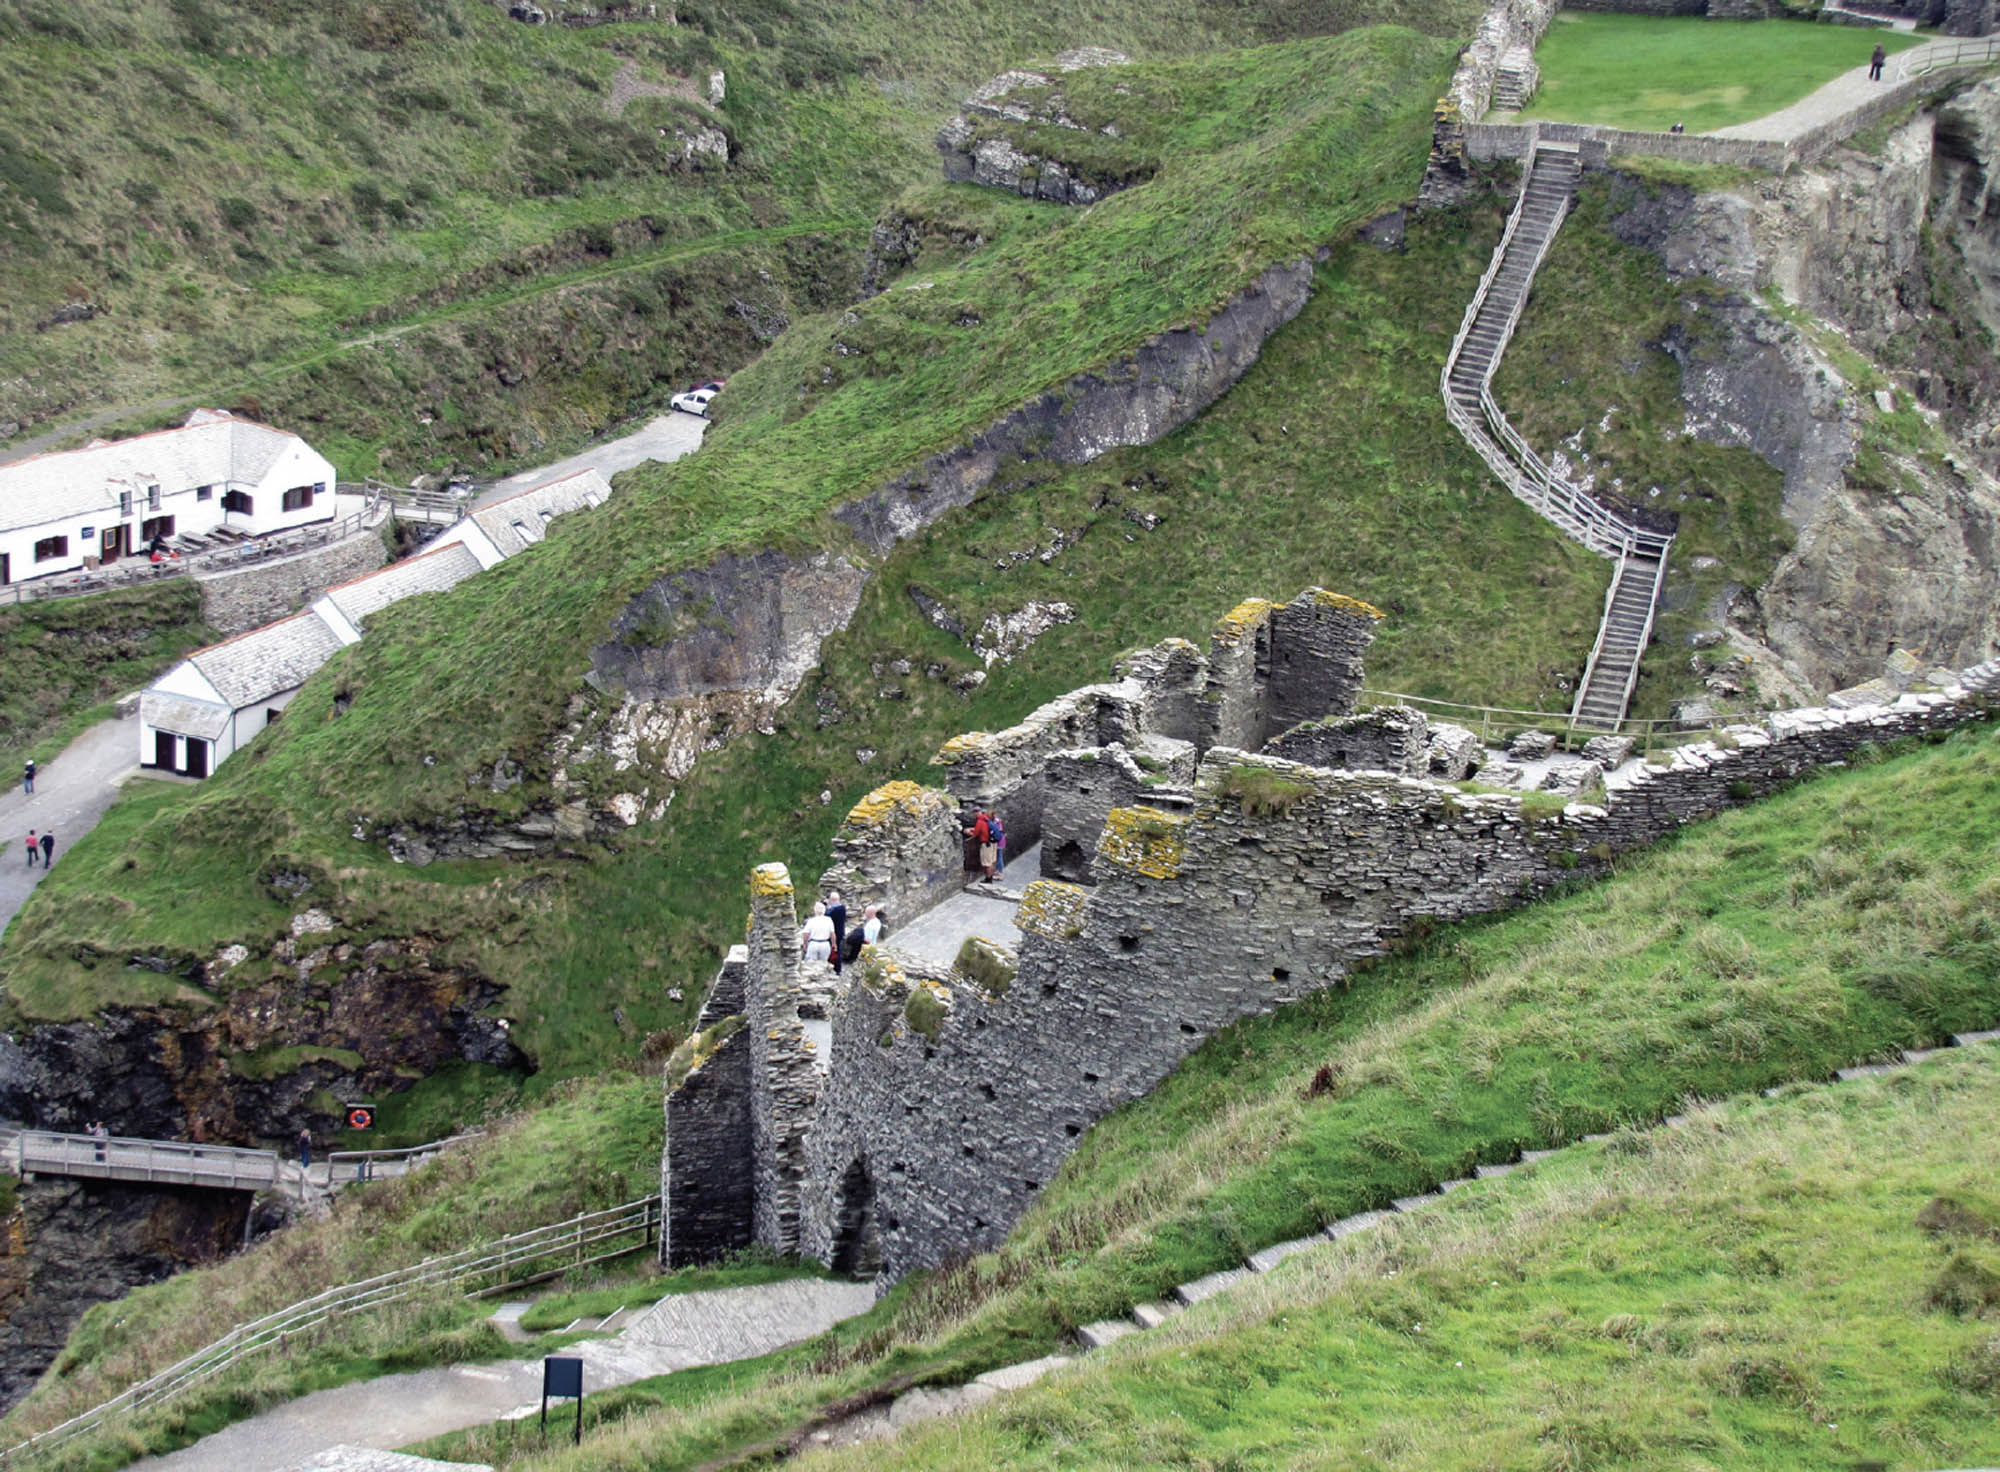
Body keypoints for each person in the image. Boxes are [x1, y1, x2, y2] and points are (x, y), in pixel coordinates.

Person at [800, 900, 837, 965]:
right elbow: (832, 934)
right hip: (825, 944)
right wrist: (834, 944)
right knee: (824, 963)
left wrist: (805, 944)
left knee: (811, 964)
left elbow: (806, 934)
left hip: (813, 943)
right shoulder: (828, 920)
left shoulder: (811, 921)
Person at [824, 890, 848, 975]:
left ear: (832, 900)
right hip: (840, 932)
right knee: (838, 951)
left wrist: (826, 906)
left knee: (834, 950)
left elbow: (826, 915)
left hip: (833, 933)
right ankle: (838, 969)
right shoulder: (843, 908)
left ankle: (835, 969)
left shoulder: (833, 911)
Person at [989, 811, 1007, 878]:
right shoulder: (998, 822)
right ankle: (998, 871)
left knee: (999, 857)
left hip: (999, 842)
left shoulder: (996, 822)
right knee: (998, 856)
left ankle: (1000, 873)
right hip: (1001, 841)